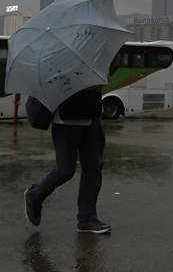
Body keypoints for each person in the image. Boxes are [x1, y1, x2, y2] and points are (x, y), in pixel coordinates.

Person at [24, 86, 110, 234]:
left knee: (93, 168)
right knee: (65, 170)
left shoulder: (92, 64)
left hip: (92, 118)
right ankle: (35, 195)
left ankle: (87, 219)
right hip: (65, 122)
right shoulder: (57, 64)